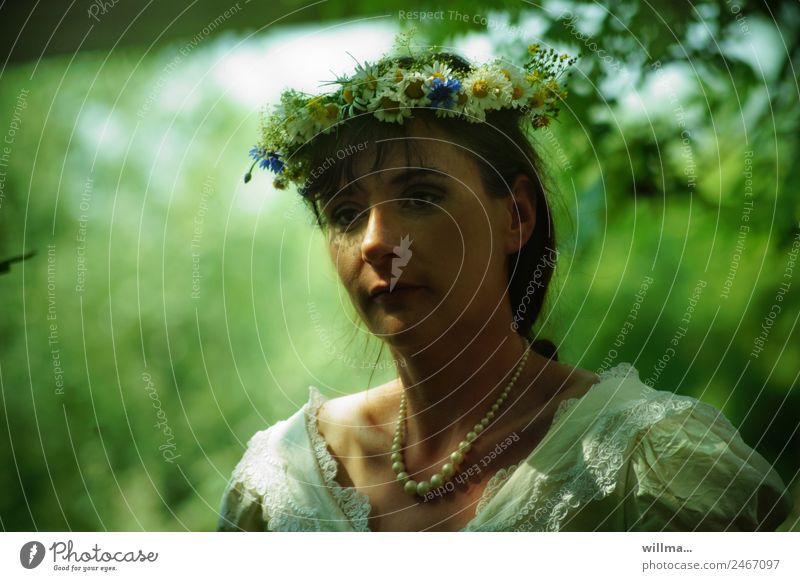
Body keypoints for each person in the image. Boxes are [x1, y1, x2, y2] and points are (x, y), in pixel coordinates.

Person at [216, 41, 793, 532]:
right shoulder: (284, 481)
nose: (373, 241)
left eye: (420, 197)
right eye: (344, 212)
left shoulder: (647, 460)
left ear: (516, 214)